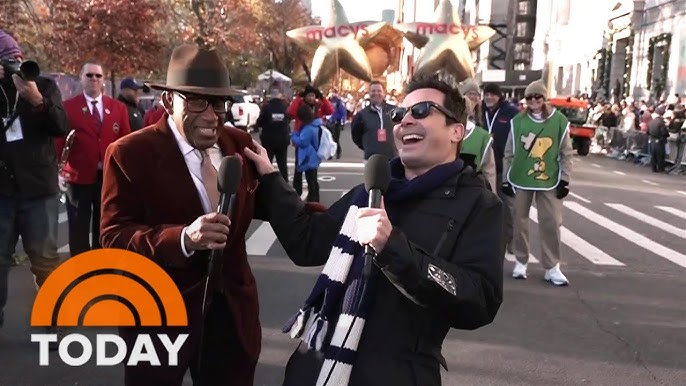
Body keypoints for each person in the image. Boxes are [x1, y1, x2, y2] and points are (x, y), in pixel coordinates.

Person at [244, 75, 504, 386]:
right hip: (318, 365)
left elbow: (479, 301)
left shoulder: (479, 204)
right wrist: (271, 179)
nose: (405, 120)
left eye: (421, 110)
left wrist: (392, 247)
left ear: (456, 130)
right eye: (399, 114)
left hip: (400, 372)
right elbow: (307, 241)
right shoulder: (371, 192)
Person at [100, 44, 273, 386]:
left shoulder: (239, 142)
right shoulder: (129, 153)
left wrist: (355, 212)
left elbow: (276, 206)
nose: (212, 115)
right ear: (168, 101)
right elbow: (113, 235)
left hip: (232, 318)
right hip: (159, 316)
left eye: (219, 103)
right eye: (196, 101)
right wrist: (182, 238)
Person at [0, 29, 70, 328]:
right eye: (8, 60)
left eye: (19, 58)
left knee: (44, 259)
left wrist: (36, 99)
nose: (16, 64)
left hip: (39, 190)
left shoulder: (43, 85)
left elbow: (61, 126)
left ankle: (51, 319)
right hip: (2, 191)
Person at [501, 79, 573, 286]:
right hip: (521, 177)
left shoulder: (559, 121)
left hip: (549, 179)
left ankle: (552, 266)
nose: (533, 101)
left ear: (544, 98)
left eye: (537, 97)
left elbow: (566, 153)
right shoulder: (518, 121)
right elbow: (509, 152)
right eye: (530, 97)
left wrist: (565, 180)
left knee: (551, 221)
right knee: (519, 220)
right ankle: (521, 261)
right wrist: (506, 178)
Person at [56, 62, 131, 257]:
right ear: (81, 78)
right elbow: (60, 141)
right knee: (78, 225)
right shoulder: (69, 107)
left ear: (104, 80)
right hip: (78, 177)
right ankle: (80, 269)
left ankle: (99, 265)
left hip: (107, 178)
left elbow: (125, 142)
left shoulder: (118, 108)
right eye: (89, 75)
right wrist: (59, 171)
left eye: (98, 76)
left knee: (103, 224)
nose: (94, 79)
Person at [481, 83, 520, 253]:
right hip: (484, 165)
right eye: (486, 94)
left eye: (493, 94)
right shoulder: (480, 111)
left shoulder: (510, 112)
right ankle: (492, 241)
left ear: (499, 96)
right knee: (486, 205)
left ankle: (511, 241)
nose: (489, 97)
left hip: (504, 166)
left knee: (508, 206)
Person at [286, 84, 333, 195]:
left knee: (312, 172)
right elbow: (290, 112)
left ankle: (313, 196)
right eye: (309, 95)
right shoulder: (300, 105)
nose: (311, 98)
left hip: (315, 142)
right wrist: (298, 97)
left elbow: (330, 111)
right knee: (299, 170)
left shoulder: (318, 105)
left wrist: (322, 97)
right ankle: (297, 193)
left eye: (313, 95)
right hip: (301, 140)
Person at [458, 79, 496, 192]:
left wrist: (492, 196)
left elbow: (489, 171)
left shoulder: (481, 134)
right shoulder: (444, 130)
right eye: (470, 94)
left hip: (471, 189)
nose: (474, 98)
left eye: (477, 95)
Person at [351, 81, 397, 160]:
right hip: (371, 158)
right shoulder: (361, 115)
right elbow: (356, 135)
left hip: (392, 156)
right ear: (369, 93)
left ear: (384, 93)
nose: (376, 93)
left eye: (379, 91)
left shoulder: (394, 111)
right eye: (373, 91)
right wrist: (367, 147)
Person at [256, 89, 291, 180]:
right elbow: (289, 119)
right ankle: (285, 184)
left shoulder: (266, 107)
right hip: (282, 139)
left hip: (269, 139)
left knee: (267, 163)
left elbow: (259, 122)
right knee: (282, 164)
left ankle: (266, 184)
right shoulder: (284, 107)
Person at [291, 104, 322, 202]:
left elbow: (302, 142)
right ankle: (315, 198)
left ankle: (313, 199)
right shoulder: (315, 126)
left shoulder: (308, 128)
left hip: (308, 157)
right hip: (313, 157)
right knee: (313, 179)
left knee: (311, 180)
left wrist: (294, 135)